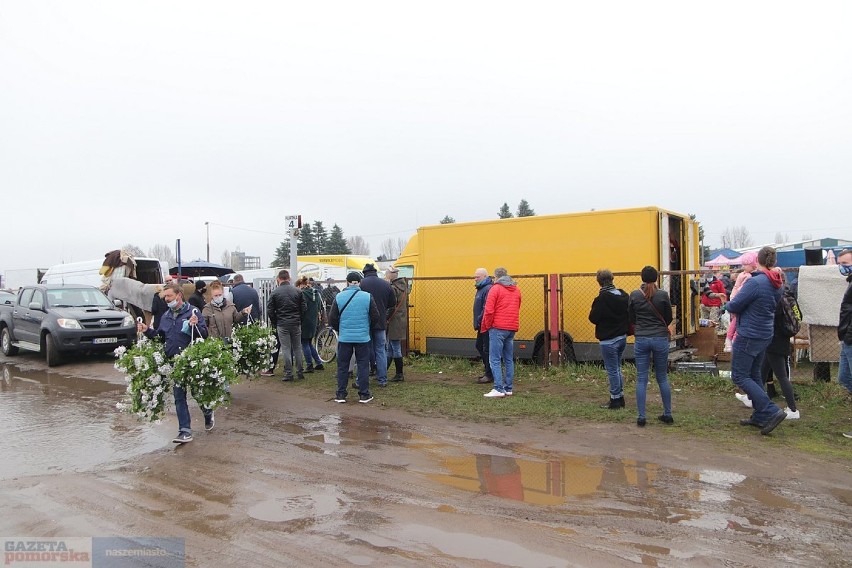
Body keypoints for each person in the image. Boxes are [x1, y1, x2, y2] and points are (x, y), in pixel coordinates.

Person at [137, 282, 210, 444]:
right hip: (174, 362)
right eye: (165, 297)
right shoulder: (166, 316)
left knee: (198, 393)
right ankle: (185, 431)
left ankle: (207, 411)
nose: (166, 299)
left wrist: (194, 324)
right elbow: (160, 337)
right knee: (179, 396)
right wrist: (146, 330)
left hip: (191, 361)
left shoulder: (193, 312)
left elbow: (204, 334)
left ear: (179, 295)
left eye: (169, 296)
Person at [725, 246, 787, 435]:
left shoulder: (756, 283)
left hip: (749, 334)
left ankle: (770, 410)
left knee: (739, 375)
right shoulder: (777, 283)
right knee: (754, 374)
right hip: (765, 333)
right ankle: (760, 416)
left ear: (757, 261)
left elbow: (735, 304)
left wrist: (727, 303)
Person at [628, 266, 673, 427]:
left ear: (642, 277)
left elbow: (631, 317)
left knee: (641, 378)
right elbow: (668, 317)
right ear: (656, 278)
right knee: (662, 377)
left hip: (641, 338)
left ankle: (641, 416)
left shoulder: (634, 295)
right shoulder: (662, 295)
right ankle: (667, 414)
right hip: (660, 338)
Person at [329, 271, 380, 403]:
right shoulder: (367, 297)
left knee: (343, 366)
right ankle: (364, 394)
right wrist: (367, 327)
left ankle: (341, 394)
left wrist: (340, 329)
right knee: (363, 365)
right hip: (363, 337)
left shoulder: (339, 297)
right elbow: (375, 316)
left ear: (347, 282)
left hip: (345, 337)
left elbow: (332, 318)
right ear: (360, 282)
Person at [758, 272, 800, 420]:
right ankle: (753, 398)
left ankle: (793, 409)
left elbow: (769, 317)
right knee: (762, 372)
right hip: (782, 339)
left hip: (774, 340)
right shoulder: (788, 296)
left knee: (782, 376)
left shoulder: (777, 297)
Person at [589, 268, 629, 409]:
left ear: (599, 282)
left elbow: (593, 318)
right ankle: (620, 396)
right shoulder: (623, 295)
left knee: (612, 370)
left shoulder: (601, 299)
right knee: (617, 368)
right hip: (622, 337)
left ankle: (615, 400)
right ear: (612, 279)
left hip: (608, 340)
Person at [481, 267, 522, 398]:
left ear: (496, 277)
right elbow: (517, 307)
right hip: (511, 328)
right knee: (508, 359)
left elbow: (489, 310)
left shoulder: (495, 289)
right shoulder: (516, 290)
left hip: (497, 327)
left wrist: (486, 326)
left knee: (494, 359)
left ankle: (498, 388)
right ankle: (508, 388)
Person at [359, 263, 396, 387]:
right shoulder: (386, 284)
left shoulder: (361, 284)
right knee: (381, 350)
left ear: (364, 272)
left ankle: (362, 379)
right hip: (380, 322)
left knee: (365, 350)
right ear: (375, 272)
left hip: (365, 322)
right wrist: (385, 316)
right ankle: (382, 379)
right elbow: (392, 303)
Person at [267, 269, 306, 382]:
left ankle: (288, 372)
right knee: (297, 347)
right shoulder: (298, 291)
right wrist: (299, 319)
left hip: (282, 323)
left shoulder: (275, 293)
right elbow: (304, 308)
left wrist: (276, 321)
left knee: (286, 348)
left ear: (278, 279)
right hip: (296, 322)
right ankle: (300, 371)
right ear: (289, 278)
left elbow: (270, 310)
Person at [725, 252, 758, 354]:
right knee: (736, 321)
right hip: (738, 299)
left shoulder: (744, 275)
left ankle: (730, 339)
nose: (744, 267)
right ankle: (731, 339)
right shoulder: (747, 276)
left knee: (736, 321)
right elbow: (741, 289)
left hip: (736, 298)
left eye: (746, 265)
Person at [836, 249, 852, 439]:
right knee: (844, 378)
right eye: (840, 263)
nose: (842, 267)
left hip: (850, 337)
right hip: (846, 338)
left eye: (846, 263)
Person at [384, 267, 408, 382]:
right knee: (391, 347)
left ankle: (399, 374)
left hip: (394, 320)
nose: (385, 275)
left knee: (395, 348)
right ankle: (383, 371)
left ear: (391, 275)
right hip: (400, 319)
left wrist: (385, 318)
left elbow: (390, 306)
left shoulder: (393, 288)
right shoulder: (403, 287)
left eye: (387, 273)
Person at [297, 276, 324, 372]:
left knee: (304, 343)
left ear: (301, 285)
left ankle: (309, 365)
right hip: (313, 321)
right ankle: (318, 362)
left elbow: (301, 308)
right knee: (309, 343)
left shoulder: (302, 294)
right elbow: (319, 307)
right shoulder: (316, 294)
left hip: (304, 321)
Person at [472, 268, 494, 384]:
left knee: (485, 348)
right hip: (481, 324)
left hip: (485, 324)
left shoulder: (487, 289)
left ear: (485, 276)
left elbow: (486, 307)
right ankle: (488, 371)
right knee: (480, 346)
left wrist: (480, 319)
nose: (475, 279)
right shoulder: (481, 289)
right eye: (475, 277)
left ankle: (489, 374)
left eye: (477, 277)